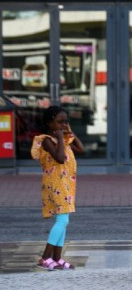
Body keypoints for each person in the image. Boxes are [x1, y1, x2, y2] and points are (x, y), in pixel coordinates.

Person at [31, 106, 85, 270]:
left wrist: (69, 132)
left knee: (63, 221)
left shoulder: (64, 139)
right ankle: (46, 258)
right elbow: (60, 158)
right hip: (55, 184)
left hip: (66, 184)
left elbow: (81, 149)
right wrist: (61, 138)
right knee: (63, 220)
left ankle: (57, 258)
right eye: (60, 122)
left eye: (66, 122)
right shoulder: (47, 140)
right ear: (49, 123)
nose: (63, 125)